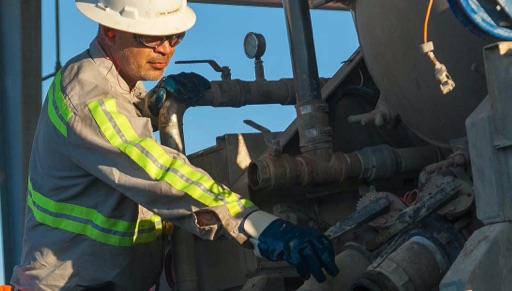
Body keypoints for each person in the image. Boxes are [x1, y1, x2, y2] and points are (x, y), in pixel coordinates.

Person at [10, 0, 339, 289]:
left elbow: (121, 133)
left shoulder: (115, 80)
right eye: (151, 37)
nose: (166, 48)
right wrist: (254, 223)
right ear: (109, 28)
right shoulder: (89, 98)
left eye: (175, 36)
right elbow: (158, 172)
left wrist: (153, 107)